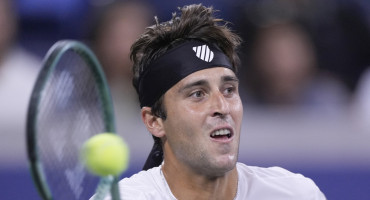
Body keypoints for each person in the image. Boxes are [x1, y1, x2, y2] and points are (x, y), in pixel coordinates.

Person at [100, 4, 326, 199]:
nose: (222, 107)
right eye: (197, 94)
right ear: (154, 121)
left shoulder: (296, 194)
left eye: (228, 90)